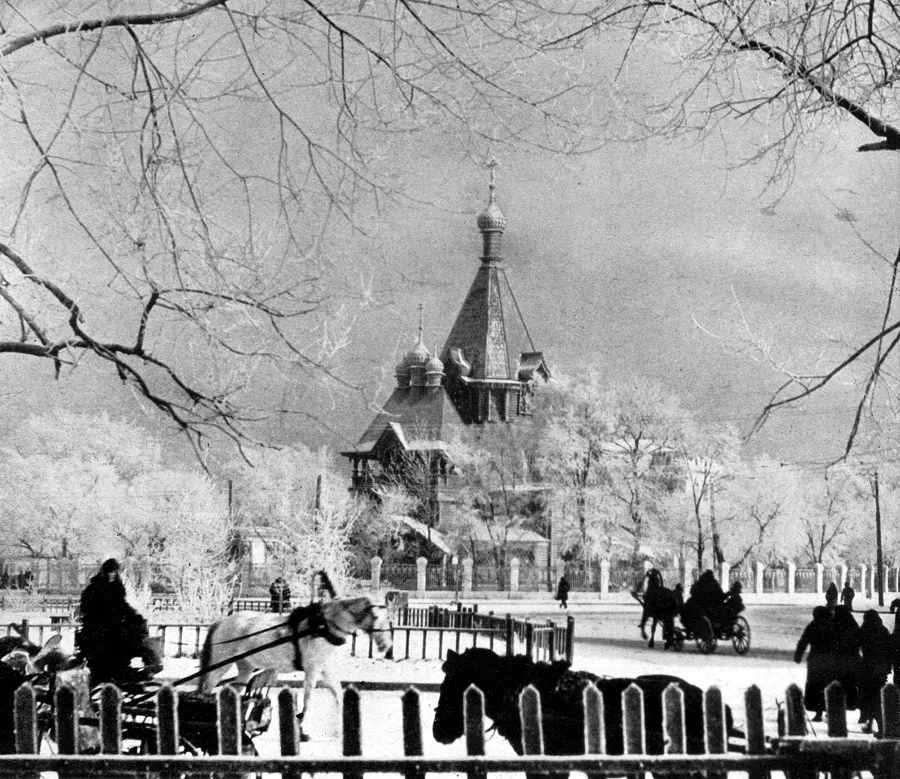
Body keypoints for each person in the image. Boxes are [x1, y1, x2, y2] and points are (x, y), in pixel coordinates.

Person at [77, 558, 162, 686]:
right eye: (110, 572)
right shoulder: (94, 589)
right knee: (122, 636)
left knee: (137, 629)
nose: (112, 574)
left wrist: (136, 616)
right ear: (104, 572)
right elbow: (89, 611)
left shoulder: (116, 588)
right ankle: (124, 670)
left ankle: (148, 663)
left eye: (114, 572)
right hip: (98, 630)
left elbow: (122, 606)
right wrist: (109, 618)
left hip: (113, 627)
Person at [794, 606, 835, 722]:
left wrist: (798, 656)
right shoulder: (832, 625)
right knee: (829, 685)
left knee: (816, 687)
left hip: (815, 660)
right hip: (829, 659)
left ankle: (818, 712)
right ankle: (831, 711)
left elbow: (803, 641)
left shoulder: (813, 625)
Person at [858, 609, 892, 732]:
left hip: (868, 669)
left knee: (871, 699)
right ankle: (874, 724)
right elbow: (890, 649)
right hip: (881, 669)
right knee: (877, 697)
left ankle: (878, 726)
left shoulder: (864, 630)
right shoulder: (883, 630)